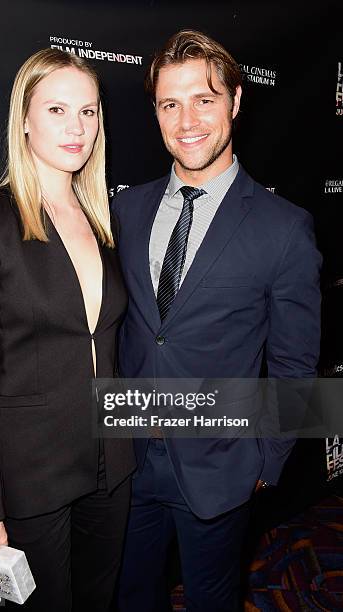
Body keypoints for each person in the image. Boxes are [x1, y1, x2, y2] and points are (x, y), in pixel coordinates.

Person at [112, 30, 322, 612]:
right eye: (169, 103)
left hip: (221, 464)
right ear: (154, 109)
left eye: (204, 99)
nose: (187, 121)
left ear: (234, 102)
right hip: (127, 459)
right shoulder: (126, 209)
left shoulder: (285, 228)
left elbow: (295, 364)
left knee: (211, 599)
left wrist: (266, 462)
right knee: (128, 596)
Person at [0, 48, 135, 612]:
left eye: (89, 111)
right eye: (57, 110)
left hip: (112, 463)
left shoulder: (104, 218)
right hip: (32, 477)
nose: (78, 128)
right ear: (23, 119)